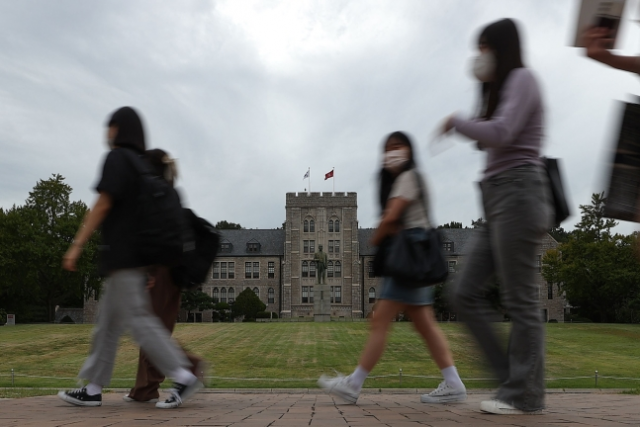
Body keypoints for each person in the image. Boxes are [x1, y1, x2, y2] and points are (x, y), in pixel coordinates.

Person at [442, 19, 552, 415]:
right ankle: (514, 380)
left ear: (501, 48)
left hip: (520, 193)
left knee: (521, 300)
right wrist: (479, 101)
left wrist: (456, 122)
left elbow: (502, 133)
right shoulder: (502, 90)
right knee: (463, 292)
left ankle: (522, 392)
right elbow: (489, 132)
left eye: (485, 47)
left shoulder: (524, 78)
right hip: (495, 201)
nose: (479, 56)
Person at [58, 107, 202, 409]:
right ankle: (94, 388)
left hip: (123, 259)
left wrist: (76, 245)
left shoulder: (118, 159)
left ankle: (183, 375)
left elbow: (103, 203)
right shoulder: (142, 168)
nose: (106, 132)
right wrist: (149, 268)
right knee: (108, 324)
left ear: (119, 130)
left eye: (109, 126)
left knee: (139, 323)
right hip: (131, 261)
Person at [317, 131, 467, 404]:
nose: (392, 152)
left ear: (409, 150)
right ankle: (454, 383)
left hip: (408, 257)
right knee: (423, 324)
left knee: (381, 322)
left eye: (398, 146)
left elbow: (391, 217)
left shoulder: (408, 178)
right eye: (388, 148)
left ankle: (354, 383)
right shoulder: (408, 179)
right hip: (414, 258)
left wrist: (375, 238)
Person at [123, 149, 206, 404]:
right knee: (153, 330)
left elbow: (152, 236)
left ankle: (190, 369)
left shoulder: (155, 193)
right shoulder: (168, 191)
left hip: (161, 271)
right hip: (172, 271)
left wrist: (147, 269)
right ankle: (144, 389)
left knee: (151, 331)